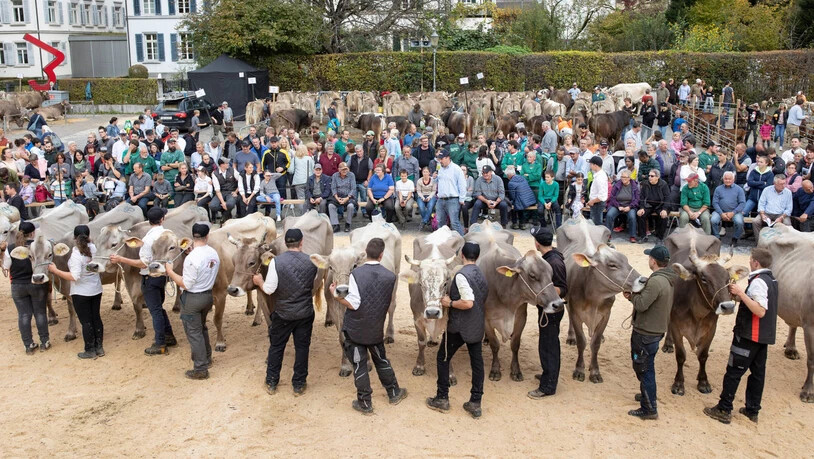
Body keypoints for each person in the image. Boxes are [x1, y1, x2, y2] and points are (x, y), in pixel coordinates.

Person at [329, 238, 407, 414]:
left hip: (356, 328)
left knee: (359, 364)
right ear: (381, 255)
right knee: (381, 360)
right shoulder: (390, 276)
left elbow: (354, 303)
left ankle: (364, 403)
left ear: (366, 252)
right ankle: (394, 392)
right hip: (376, 327)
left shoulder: (356, 274)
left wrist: (336, 295)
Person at [704, 247, 777, 425]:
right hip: (763, 336)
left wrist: (741, 293)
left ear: (755, 262)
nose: (750, 262)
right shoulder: (771, 279)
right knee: (757, 374)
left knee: (733, 372)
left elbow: (759, 310)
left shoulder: (758, 281)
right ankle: (752, 410)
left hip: (749, 335)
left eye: (751, 259)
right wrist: (737, 296)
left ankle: (724, 409)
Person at [253, 229, 320, 396]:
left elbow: (269, 289)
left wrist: (259, 281)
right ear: (301, 242)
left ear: (285, 243)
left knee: (276, 347)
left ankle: (271, 382)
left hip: (283, 312)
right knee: (302, 347)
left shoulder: (277, 262)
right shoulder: (312, 261)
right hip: (304, 311)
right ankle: (299, 383)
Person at [426, 241, 488, 419]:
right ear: (477, 256)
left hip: (459, 327)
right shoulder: (481, 274)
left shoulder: (461, 275)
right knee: (477, 364)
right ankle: (475, 402)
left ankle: (442, 398)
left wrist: (450, 303)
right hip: (477, 326)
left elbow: (468, 302)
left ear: (462, 256)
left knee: (442, 358)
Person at [110, 207, 177, 355]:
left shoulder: (147, 239)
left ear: (148, 220)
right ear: (162, 219)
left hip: (150, 277)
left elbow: (143, 263)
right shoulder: (169, 234)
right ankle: (169, 336)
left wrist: (121, 259)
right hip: (162, 276)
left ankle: (160, 343)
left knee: (155, 311)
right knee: (158, 307)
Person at [622, 245, 676, 420]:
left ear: (653, 260)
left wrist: (632, 296)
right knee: (645, 366)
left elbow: (641, 305)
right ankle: (647, 394)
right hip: (655, 330)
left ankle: (649, 408)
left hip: (646, 332)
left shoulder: (655, 281)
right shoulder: (667, 278)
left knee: (644, 369)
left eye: (649, 258)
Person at [165, 222, 220, 380]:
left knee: (194, 332)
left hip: (193, 298)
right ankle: (207, 358)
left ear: (192, 236)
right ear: (207, 236)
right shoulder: (213, 253)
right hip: (207, 296)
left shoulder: (191, 258)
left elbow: (185, 284)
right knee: (201, 328)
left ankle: (200, 368)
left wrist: (170, 271)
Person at [46, 225, 104, 359]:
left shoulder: (76, 255)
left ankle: (90, 350)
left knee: (86, 321)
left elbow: (74, 276)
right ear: (89, 236)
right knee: (96, 318)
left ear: (74, 238)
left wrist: (56, 271)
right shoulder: (94, 249)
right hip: (96, 289)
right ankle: (99, 348)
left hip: (81, 292)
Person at [527, 228, 567, 399]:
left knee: (549, 347)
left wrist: (543, 292)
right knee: (546, 344)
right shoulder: (549, 258)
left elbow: (563, 289)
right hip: (547, 309)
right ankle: (548, 374)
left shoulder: (554, 263)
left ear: (537, 243)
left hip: (552, 310)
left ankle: (548, 385)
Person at [3, 221, 50, 354]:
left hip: (17, 285)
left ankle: (28, 345)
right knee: (40, 313)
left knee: (24, 315)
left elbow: (6, 266)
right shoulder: (38, 246)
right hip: (36, 283)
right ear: (33, 233)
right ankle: (44, 341)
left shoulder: (11, 247)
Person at [434, 150, 468, 236]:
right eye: (439, 159)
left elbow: (462, 184)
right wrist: (434, 177)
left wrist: (462, 198)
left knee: (454, 222)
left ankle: (462, 241)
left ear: (447, 158)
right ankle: (442, 241)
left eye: (441, 159)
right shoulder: (440, 168)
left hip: (453, 199)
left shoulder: (456, 169)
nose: (440, 161)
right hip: (441, 199)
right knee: (440, 222)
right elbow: (436, 181)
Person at [711, 171, 746, 244]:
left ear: (733, 179)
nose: (727, 180)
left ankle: (735, 238)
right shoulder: (718, 189)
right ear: (723, 179)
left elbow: (742, 203)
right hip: (720, 211)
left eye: (729, 179)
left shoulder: (739, 189)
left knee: (739, 222)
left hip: (735, 212)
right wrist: (721, 213)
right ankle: (717, 237)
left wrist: (733, 212)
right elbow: (715, 202)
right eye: (726, 179)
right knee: (713, 220)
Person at [606, 170, 640, 243]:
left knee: (632, 217)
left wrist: (630, 207)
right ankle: (607, 234)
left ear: (629, 178)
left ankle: (632, 236)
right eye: (622, 177)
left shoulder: (634, 186)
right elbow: (612, 197)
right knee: (609, 215)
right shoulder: (617, 185)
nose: (623, 179)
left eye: (625, 177)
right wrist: (618, 206)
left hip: (629, 206)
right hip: (617, 205)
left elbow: (637, 199)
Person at [329, 162, 357, 233]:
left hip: (348, 196)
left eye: (346, 169)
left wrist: (347, 198)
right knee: (331, 205)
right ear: (339, 169)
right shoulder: (334, 175)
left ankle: (348, 224)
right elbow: (333, 188)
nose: (345, 171)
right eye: (343, 169)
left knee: (350, 206)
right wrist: (337, 198)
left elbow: (353, 188)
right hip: (338, 196)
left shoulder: (351, 175)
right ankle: (335, 225)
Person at [210, 158, 239, 223]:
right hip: (221, 192)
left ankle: (224, 216)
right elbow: (217, 190)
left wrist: (236, 191)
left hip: (231, 191)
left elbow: (241, 181)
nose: (228, 164)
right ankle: (226, 213)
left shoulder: (232, 170)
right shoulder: (214, 173)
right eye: (226, 163)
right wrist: (223, 203)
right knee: (212, 206)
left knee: (230, 204)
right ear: (221, 165)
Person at [587, 155, 608, 225]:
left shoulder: (600, 177)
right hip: (595, 202)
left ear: (595, 165)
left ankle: (598, 236)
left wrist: (592, 201)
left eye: (591, 164)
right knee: (594, 222)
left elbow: (601, 195)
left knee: (596, 223)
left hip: (597, 203)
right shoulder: (598, 175)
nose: (590, 166)